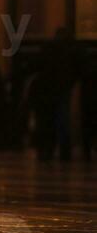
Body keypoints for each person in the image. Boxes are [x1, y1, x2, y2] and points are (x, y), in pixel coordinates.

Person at [34, 27, 79, 162]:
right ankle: (64, 151)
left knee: (47, 122)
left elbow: (36, 65)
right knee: (62, 121)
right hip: (62, 90)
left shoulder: (48, 49)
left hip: (46, 91)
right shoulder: (71, 51)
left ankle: (47, 150)